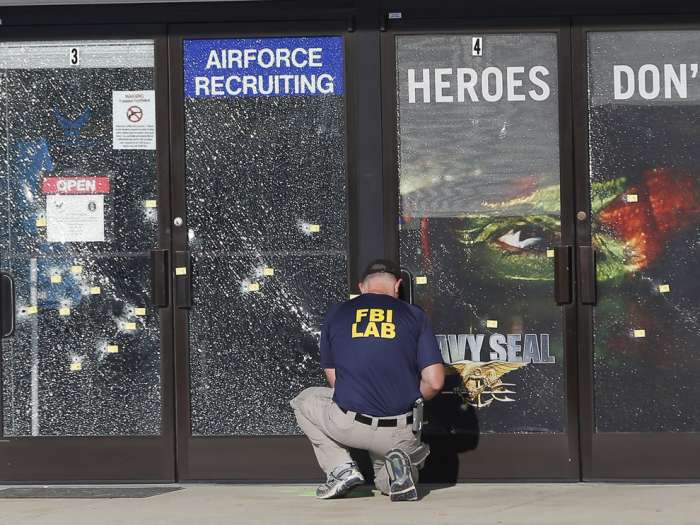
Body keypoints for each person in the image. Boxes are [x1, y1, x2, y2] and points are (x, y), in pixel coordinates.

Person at [290, 259, 445, 501]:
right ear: (398, 286)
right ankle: (398, 468)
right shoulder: (415, 316)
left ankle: (341, 469)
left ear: (362, 287)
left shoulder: (338, 313)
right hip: (398, 429)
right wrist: (408, 398)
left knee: (303, 400)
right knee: (389, 477)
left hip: (349, 423)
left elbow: (335, 383)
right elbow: (435, 382)